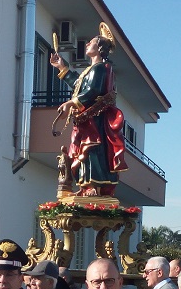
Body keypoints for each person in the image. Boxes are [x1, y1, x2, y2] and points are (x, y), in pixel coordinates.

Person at [50, 23, 127, 197]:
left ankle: (94, 186)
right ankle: (86, 186)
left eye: (91, 42)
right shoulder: (90, 69)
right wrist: (62, 68)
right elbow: (79, 85)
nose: (86, 45)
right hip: (85, 119)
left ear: (100, 48)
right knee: (81, 152)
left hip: (95, 119)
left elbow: (92, 90)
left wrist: (71, 103)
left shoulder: (100, 68)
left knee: (91, 149)